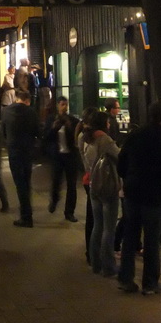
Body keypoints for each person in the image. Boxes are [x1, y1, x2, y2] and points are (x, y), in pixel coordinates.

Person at [116, 102, 161, 295]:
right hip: (154, 193)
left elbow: (121, 161)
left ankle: (126, 279)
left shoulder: (136, 135)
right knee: (151, 239)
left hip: (133, 190)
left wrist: (127, 177)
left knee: (130, 236)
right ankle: (150, 283)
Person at [82, 110, 120, 276]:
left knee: (97, 226)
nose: (109, 124)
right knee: (109, 228)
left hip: (93, 185)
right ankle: (108, 266)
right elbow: (119, 156)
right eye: (108, 122)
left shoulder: (85, 138)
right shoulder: (104, 139)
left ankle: (95, 263)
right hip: (106, 186)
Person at [2, 90, 39, 227]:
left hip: (14, 151)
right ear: (27, 100)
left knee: (20, 183)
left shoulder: (6, 111)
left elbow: (3, 132)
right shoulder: (31, 112)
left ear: (17, 98)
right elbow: (37, 132)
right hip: (28, 151)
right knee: (26, 181)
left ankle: (26, 215)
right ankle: (27, 210)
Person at [43, 96, 80, 222]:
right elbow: (46, 137)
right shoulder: (51, 119)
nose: (65, 107)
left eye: (66, 104)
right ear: (58, 105)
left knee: (72, 184)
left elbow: (76, 138)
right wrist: (55, 127)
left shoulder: (72, 120)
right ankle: (54, 200)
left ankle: (69, 212)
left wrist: (69, 126)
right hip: (57, 155)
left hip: (70, 155)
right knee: (56, 181)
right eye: (62, 104)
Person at [76, 110, 98, 261]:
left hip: (88, 178)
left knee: (92, 217)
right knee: (95, 218)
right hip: (94, 179)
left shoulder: (82, 137)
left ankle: (91, 252)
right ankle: (93, 253)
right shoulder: (92, 139)